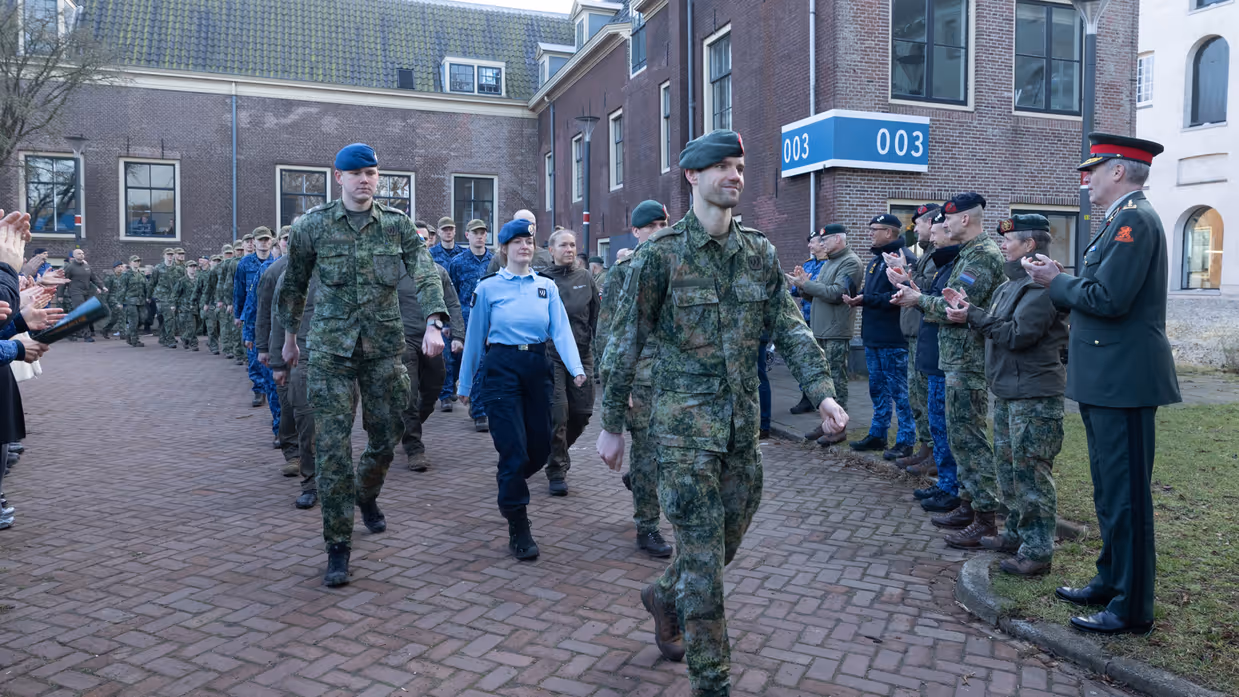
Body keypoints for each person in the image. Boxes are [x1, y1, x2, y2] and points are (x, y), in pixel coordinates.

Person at [596, 131, 848, 696]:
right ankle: (712, 682)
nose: (735, 175)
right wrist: (612, 425)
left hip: (740, 429)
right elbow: (622, 343)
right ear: (692, 176)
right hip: (682, 433)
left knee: (724, 540)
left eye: (739, 166)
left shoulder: (757, 251)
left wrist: (824, 392)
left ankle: (664, 594)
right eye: (722, 167)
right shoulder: (661, 256)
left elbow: (789, 326)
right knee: (706, 561)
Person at [1024, 133, 1179, 635]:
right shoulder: (1119, 220)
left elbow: (1110, 298)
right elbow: (1099, 292)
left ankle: (1131, 607)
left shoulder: (1134, 220)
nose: (1086, 179)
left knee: (1127, 495)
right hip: (1107, 380)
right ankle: (1111, 579)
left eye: (1094, 170)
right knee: (1111, 493)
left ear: (1119, 171)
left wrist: (1055, 281)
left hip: (1124, 382)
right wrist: (1064, 280)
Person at [277, 143, 448, 588]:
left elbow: (426, 270)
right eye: (355, 173)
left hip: (383, 351)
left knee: (387, 436)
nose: (365, 180)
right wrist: (290, 339)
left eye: (371, 172)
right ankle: (338, 545)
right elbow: (292, 285)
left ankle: (366, 494)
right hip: (330, 353)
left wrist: (434, 321)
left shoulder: (396, 226)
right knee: (332, 450)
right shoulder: (311, 227)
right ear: (338, 177)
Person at [945, 214, 1068, 576]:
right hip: (1009, 392)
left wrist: (974, 317)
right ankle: (1015, 535)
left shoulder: (1042, 288)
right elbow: (997, 327)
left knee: (1031, 475)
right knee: (1010, 471)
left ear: (1030, 246)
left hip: (1034, 395)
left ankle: (1038, 551)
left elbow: (1017, 336)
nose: (1003, 244)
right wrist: (971, 312)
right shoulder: (1007, 286)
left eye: (1010, 240)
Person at [457, 218, 583, 560]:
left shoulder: (546, 287)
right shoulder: (488, 288)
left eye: (529, 241)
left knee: (541, 448)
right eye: (517, 243)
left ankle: (509, 480)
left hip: (537, 367)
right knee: (513, 450)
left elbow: (561, 331)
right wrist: (465, 383)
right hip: (501, 369)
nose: (525, 246)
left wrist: (576, 369)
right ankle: (519, 525)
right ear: (505, 249)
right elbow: (474, 338)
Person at [891, 193, 1004, 549]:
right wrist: (917, 293)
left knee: (970, 440)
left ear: (965, 220)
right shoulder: (967, 254)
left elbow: (957, 305)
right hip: (953, 360)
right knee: (959, 438)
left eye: (948, 220)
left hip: (968, 363)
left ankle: (985, 519)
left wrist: (917, 300)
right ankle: (968, 506)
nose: (943, 225)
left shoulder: (983, 256)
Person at [597, 200, 673, 557]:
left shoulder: (681, 265)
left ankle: (641, 483)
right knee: (647, 455)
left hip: (675, 378)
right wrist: (615, 384)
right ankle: (647, 527)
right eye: (652, 227)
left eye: (664, 225)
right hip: (639, 378)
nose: (659, 232)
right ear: (637, 232)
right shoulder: (623, 270)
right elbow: (608, 332)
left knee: (669, 457)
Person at [843, 214, 917, 460]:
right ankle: (878, 433)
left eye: (874, 229)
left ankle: (906, 440)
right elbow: (875, 292)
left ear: (889, 232)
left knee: (900, 392)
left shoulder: (903, 259)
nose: (870, 233)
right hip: (873, 337)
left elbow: (900, 297)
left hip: (893, 338)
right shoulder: (877, 261)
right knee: (877, 389)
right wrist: (860, 296)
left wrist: (866, 299)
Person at [907, 212, 963, 514]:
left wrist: (915, 294)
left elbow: (943, 304)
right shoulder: (942, 262)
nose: (933, 235)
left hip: (947, 357)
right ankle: (945, 483)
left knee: (945, 426)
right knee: (937, 423)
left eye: (939, 231)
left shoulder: (954, 264)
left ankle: (951, 486)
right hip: (933, 350)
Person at [788, 224, 862, 445]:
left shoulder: (850, 262)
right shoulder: (829, 262)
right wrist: (802, 287)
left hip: (835, 330)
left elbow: (837, 294)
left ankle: (840, 426)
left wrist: (807, 284)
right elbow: (815, 296)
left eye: (825, 240)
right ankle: (827, 422)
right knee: (824, 380)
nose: (821, 245)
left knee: (836, 380)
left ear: (838, 239)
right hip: (820, 329)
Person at [540, 229, 600, 496]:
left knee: (582, 411)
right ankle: (557, 469)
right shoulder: (541, 280)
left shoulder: (586, 278)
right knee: (558, 413)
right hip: (551, 355)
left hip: (582, 353)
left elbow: (597, 318)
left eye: (573, 245)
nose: (570, 249)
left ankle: (558, 451)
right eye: (563, 245)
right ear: (551, 250)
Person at [398, 230, 462, 473]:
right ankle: (414, 447)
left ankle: (408, 427)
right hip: (402, 340)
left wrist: (457, 335)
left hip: (431, 337)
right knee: (409, 392)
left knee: (435, 384)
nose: (420, 244)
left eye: (424, 240)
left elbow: (453, 303)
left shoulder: (438, 272)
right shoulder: (394, 271)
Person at [270, 268, 324, 509]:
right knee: (306, 422)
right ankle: (310, 484)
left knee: (338, 425)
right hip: (303, 358)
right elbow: (277, 319)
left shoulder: (351, 265)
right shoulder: (291, 276)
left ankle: (336, 481)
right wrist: (277, 363)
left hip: (341, 359)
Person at [899, 204, 941, 472]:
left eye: (919, 225)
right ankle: (925, 448)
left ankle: (934, 454)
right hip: (915, 332)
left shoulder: (939, 255)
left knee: (927, 396)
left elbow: (930, 290)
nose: (916, 231)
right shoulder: (926, 255)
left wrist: (906, 276)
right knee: (917, 395)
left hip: (927, 331)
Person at [257, 228, 300, 460]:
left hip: (312, 349)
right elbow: (264, 313)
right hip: (282, 347)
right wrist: (263, 348)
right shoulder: (274, 272)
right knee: (288, 404)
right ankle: (292, 453)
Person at [447, 219, 494, 428]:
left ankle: (481, 409)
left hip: (490, 320)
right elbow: (451, 295)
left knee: (486, 364)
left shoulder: (494, 261)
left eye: (483, 233)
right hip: (466, 319)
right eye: (475, 233)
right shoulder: (457, 262)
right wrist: (451, 323)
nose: (480, 236)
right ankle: (476, 407)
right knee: (471, 364)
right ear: (467, 235)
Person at [236, 227, 279, 415]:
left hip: (270, 316)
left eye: (267, 240)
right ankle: (258, 389)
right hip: (252, 315)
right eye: (260, 240)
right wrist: (238, 315)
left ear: (272, 241)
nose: (263, 243)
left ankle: (269, 392)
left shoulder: (275, 263)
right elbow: (239, 291)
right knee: (254, 357)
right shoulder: (245, 263)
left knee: (269, 359)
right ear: (254, 241)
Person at [787, 231, 828, 414]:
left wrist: (804, 284)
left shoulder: (829, 266)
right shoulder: (808, 264)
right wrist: (797, 283)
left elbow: (820, 289)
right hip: (806, 318)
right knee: (806, 360)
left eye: (813, 243)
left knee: (822, 362)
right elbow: (797, 291)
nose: (810, 246)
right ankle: (807, 396)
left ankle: (823, 398)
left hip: (822, 319)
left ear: (822, 244)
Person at [486, 210, 554, 274]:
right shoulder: (499, 257)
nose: (528, 227)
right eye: (517, 242)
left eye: (532, 224)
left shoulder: (546, 256)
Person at [63, 248, 107, 342]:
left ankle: (68, 331)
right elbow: (64, 281)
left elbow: (94, 278)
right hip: (75, 292)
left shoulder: (87, 266)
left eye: (82, 253)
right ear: (74, 256)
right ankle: (87, 335)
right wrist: (59, 295)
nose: (81, 255)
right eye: (79, 253)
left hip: (86, 292)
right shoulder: (70, 267)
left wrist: (102, 286)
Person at [117, 255, 148, 347]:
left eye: (138, 261)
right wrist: (120, 302)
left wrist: (148, 297)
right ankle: (134, 340)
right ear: (130, 263)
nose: (137, 263)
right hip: (130, 301)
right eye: (135, 261)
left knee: (143, 319)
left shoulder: (142, 274)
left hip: (141, 301)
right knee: (134, 321)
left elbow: (145, 287)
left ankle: (129, 333)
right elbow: (122, 289)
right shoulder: (126, 275)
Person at [173, 260, 200, 350]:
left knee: (197, 326)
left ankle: (185, 338)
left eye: (194, 266)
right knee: (191, 326)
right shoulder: (182, 281)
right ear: (187, 268)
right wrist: (173, 304)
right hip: (186, 307)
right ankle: (193, 343)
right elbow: (175, 293)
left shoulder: (199, 279)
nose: (193, 268)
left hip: (197, 306)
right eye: (191, 266)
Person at [99, 261, 127, 338]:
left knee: (115, 318)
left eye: (121, 266)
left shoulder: (124, 277)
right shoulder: (110, 278)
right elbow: (106, 291)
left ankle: (105, 329)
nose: (120, 268)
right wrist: (103, 302)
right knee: (121, 313)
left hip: (122, 299)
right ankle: (123, 333)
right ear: (114, 268)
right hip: (112, 299)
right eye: (118, 267)